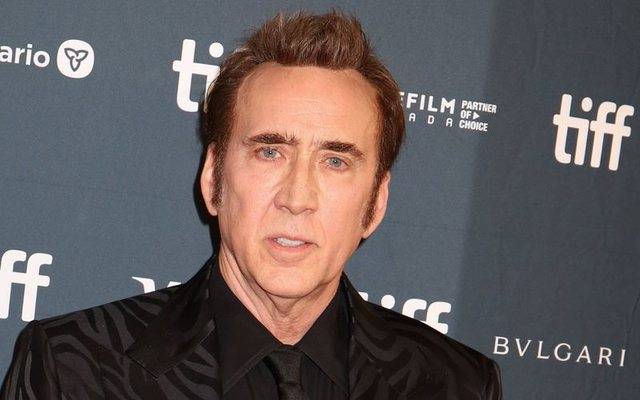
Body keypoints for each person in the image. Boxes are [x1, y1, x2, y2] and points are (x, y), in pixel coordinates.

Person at [1, 10, 502, 400]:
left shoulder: (456, 384)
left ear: (375, 203)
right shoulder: (75, 368)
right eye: (269, 152)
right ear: (213, 178)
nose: (297, 198)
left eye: (335, 161)